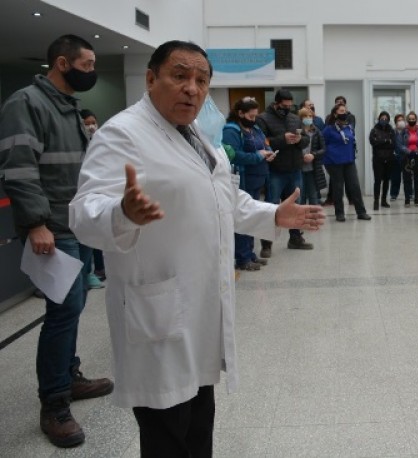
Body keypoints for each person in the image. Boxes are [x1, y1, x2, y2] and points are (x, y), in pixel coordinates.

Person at [69, 40, 325, 456]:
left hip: (199, 312)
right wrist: (123, 213)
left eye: (201, 80)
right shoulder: (122, 134)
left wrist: (273, 215)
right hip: (159, 316)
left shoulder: (195, 137)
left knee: (197, 424)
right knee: (167, 435)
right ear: (151, 78)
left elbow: (223, 198)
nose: (192, 88)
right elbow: (83, 213)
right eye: (180, 76)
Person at [0, 34, 113, 448]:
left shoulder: (68, 108)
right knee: (63, 313)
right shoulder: (26, 103)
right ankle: (54, 403)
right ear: (62, 63)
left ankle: (69, 375)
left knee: (76, 304)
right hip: (53, 226)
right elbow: (20, 167)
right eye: (86, 65)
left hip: (77, 224)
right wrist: (35, 224)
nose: (92, 72)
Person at [256, 89, 314, 250]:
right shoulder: (263, 119)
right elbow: (262, 142)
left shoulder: (295, 118)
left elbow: (305, 139)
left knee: (296, 205)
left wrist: (298, 140)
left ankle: (295, 238)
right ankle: (266, 244)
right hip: (275, 171)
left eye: (290, 105)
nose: (287, 108)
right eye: (284, 106)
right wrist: (282, 140)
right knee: (271, 207)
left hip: (295, 169)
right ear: (276, 103)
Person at [223, 97, 272, 271]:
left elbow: (265, 143)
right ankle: (242, 258)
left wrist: (269, 152)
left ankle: (250, 254)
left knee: (252, 218)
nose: (253, 120)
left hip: (258, 177)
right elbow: (234, 155)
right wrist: (258, 156)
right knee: (243, 217)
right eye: (250, 117)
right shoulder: (231, 131)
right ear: (240, 113)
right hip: (243, 179)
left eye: (255, 116)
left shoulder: (255, 128)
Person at [323, 103, 371, 222]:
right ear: (335, 114)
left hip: (349, 161)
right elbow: (322, 144)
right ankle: (339, 213)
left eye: (345, 111)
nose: (344, 113)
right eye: (341, 111)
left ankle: (361, 212)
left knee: (354, 186)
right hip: (334, 162)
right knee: (338, 188)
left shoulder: (349, 127)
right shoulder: (328, 129)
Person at [79, 108, 107, 289]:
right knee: (87, 238)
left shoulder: (102, 139)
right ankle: (88, 273)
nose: (90, 126)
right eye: (86, 123)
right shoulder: (79, 143)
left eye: (92, 122)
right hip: (83, 196)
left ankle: (100, 269)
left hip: (100, 194)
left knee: (98, 238)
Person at [298, 107, 326, 206]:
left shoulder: (316, 131)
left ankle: (313, 219)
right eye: (305, 116)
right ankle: (300, 220)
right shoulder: (297, 131)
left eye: (310, 116)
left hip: (313, 169)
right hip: (299, 169)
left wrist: (313, 155)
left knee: (313, 197)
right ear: (301, 118)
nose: (308, 118)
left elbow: (323, 149)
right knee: (300, 197)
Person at [368, 111, 395, 210]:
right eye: (382, 118)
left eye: (386, 118)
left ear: (388, 120)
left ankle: (384, 200)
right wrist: (385, 141)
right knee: (377, 180)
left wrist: (382, 143)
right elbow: (373, 142)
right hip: (377, 159)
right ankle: (376, 201)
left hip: (389, 159)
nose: (384, 120)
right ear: (379, 119)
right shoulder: (374, 130)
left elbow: (393, 144)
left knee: (387, 180)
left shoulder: (391, 130)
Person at [401, 111, 418, 207]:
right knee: (407, 179)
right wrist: (408, 151)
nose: (411, 120)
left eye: (413, 119)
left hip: (417, 156)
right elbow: (400, 144)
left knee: (417, 178)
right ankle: (407, 199)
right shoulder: (404, 131)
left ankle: (416, 199)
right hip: (407, 156)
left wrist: (417, 151)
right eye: (410, 119)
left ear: (416, 120)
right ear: (407, 120)